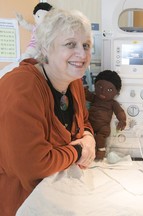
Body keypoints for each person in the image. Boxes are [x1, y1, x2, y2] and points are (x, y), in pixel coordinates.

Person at [0, 8, 96, 216]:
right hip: (20, 203)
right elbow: (33, 165)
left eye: (86, 45)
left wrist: (88, 138)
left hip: (57, 197)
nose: (82, 54)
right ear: (45, 47)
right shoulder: (21, 86)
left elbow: (83, 123)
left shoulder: (73, 82)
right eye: (70, 44)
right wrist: (80, 151)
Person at [85, 70, 127, 159]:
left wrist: (122, 120)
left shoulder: (113, 103)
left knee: (100, 138)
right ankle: (89, 153)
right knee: (87, 137)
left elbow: (120, 112)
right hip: (89, 124)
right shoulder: (95, 98)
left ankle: (101, 151)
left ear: (116, 92)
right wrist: (82, 89)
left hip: (103, 127)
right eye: (100, 87)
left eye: (109, 90)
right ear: (95, 85)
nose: (103, 91)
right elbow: (86, 94)